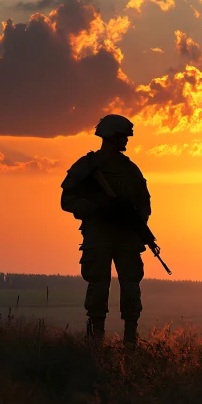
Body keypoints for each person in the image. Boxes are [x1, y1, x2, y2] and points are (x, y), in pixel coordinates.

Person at [60, 114, 151, 345]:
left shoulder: (130, 169)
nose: (127, 141)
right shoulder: (88, 166)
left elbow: (143, 202)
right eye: (123, 136)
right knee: (98, 287)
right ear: (111, 136)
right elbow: (67, 199)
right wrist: (96, 209)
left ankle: (130, 340)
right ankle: (95, 340)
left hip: (127, 237)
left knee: (130, 287)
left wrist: (135, 221)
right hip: (98, 235)